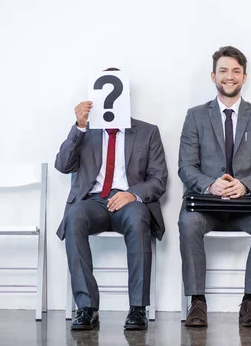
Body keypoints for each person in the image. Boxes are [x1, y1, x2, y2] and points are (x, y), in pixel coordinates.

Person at [55, 68, 168, 331]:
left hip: (128, 202)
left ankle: (138, 308)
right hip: (93, 202)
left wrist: (132, 194)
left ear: (124, 95)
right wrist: (79, 127)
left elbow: (158, 179)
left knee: (140, 215)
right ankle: (87, 308)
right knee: (74, 215)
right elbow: (62, 165)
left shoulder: (147, 132)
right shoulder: (87, 131)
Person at [178, 46, 251, 327]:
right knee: (188, 223)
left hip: (248, 204)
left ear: (244, 77)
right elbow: (185, 167)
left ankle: (250, 303)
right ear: (213, 76)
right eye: (223, 70)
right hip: (205, 203)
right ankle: (197, 302)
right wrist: (211, 186)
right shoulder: (195, 116)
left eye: (236, 71)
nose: (229, 76)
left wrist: (245, 186)